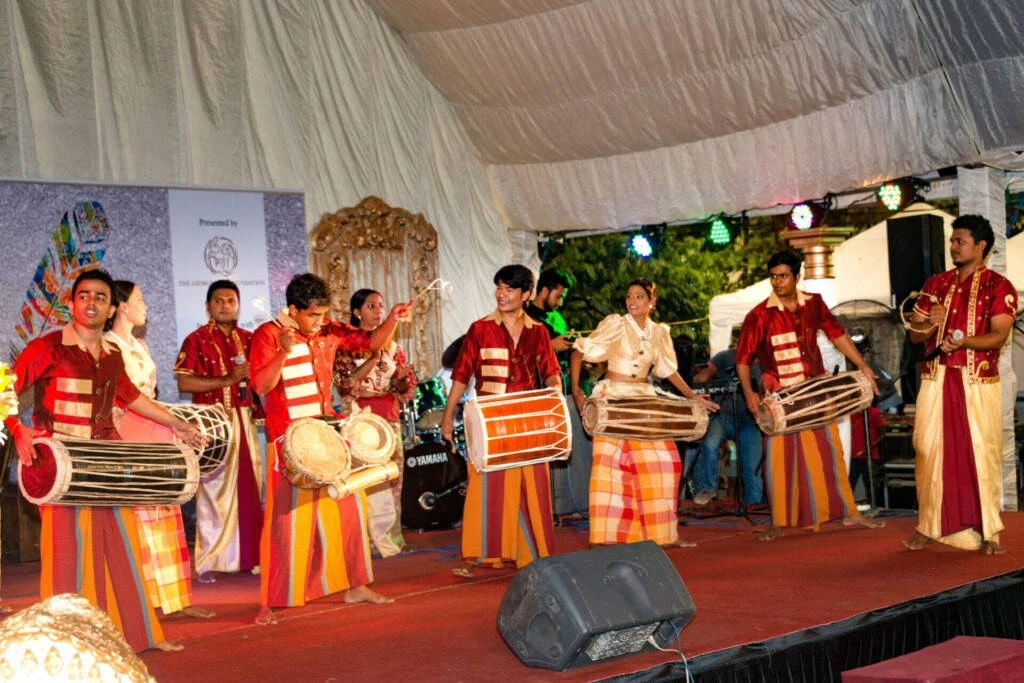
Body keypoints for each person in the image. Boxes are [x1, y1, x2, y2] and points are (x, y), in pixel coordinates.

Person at [5, 269, 205, 652]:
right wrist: (18, 429)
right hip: (62, 465)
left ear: (112, 307)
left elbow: (131, 397)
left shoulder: (113, 355)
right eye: (84, 296)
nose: (91, 303)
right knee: (67, 552)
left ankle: (138, 635)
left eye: (100, 297)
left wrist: (176, 424)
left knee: (122, 547)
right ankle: (65, 643)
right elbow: (4, 384)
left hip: (106, 462)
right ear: (70, 303)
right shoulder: (49, 347)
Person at [249, 273, 409, 624]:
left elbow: (371, 343)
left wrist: (393, 319)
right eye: (312, 315)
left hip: (328, 434)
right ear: (293, 309)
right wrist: (283, 351)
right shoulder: (267, 334)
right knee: (284, 524)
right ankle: (271, 601)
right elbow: (261, 386)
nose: (319, 321)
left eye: (323, 313)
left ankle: (355, 585)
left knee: (350, 511)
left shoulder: (330, 330)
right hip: (289, 440)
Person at [735, 250, 883, 541]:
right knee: (780, 458)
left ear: (797, 276)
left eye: (783, 276)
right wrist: (750, 393)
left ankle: (848, 511)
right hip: (779, 399)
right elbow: (742, 359)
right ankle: (780, 521)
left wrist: (863, 366)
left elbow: (837, 334)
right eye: (773, 276)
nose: (777, 282)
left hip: (814, 392)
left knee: (830, 452)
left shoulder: (813, 303)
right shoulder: (759, 314)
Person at [570, 278, 717, 547]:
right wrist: (577, 391)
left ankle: (660, 535)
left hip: (644, 399)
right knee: (610, 469)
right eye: (629, 296)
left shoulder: (659, 333)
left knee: (664, 463)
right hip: (613, 399)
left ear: (652, 302)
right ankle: (606, 537)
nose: (632, 301)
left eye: (639, 296)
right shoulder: (616, 324)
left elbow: (667, 370)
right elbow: (580, 350)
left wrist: (693, 396)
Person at [903, 215, 1016, 555]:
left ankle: (988, 530)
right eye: (952, 241)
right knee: (927, 451)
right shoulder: (935, 284)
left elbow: (998, 336)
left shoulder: (999, 286)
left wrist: (965, 341)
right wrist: (927, 324)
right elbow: (913, 334)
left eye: (960, 241)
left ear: (981, 247)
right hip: (936, 378)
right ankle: (928, 526)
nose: (953, 247)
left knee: (981, 453)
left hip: (977, 380)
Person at [439, 265, 561, 578]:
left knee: (530, 485)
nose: (500, 294)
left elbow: (551, 372)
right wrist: (448, 416)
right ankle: (477, 554)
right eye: (498, 287)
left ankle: (533, 553)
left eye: (508, 289)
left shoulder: (539, 331)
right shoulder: (480, 329)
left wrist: (554, 403)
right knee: (485, 487)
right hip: (490, 419)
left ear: (525, 294)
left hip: (529, 420)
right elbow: (461, 375)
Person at [105, 280, 214, 620]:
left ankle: (174, 598)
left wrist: (173, 424)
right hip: (128, 434)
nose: (145, 305)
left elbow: (148, 394)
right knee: (138, 517)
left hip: (154, 431)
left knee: (166, 512)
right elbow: (125, 398)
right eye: (139, 299)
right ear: (121, 306)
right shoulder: (108, 346)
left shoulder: (139, 345)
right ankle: (141, 600)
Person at [174, 280, 263, 583]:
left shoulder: (251, 340)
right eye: (219, 301)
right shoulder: (196, 340)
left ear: (238, 306)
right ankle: (212, 560)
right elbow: (185, 384)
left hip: (246, 421)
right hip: (212, 424)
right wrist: (226, 379)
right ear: (208, 306)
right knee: (214, 491)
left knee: (250, 489)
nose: (225, 306)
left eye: (231, 301)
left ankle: (252, 556)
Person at [334, 288, 416, 557]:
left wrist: (402, 378)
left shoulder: (394, 346)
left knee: (392, 480)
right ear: (357, 312)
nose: (378, 311)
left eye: (381, 305)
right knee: (365, 480)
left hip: (388, 417)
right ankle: (365, 542)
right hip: (360, 419)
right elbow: (347, 385)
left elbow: (403, 388)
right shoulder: (345, 345)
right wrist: (372, 357)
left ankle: (390, 540)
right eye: (371, 306)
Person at [690, 348, 764, 507]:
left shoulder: (767, 362)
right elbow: (703, 377)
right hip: (723, 415)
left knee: (752, 471)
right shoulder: (726, 356)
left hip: (750, 423)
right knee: (710, 444)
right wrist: (695, 390)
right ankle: (709, 489)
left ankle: (754, 507)